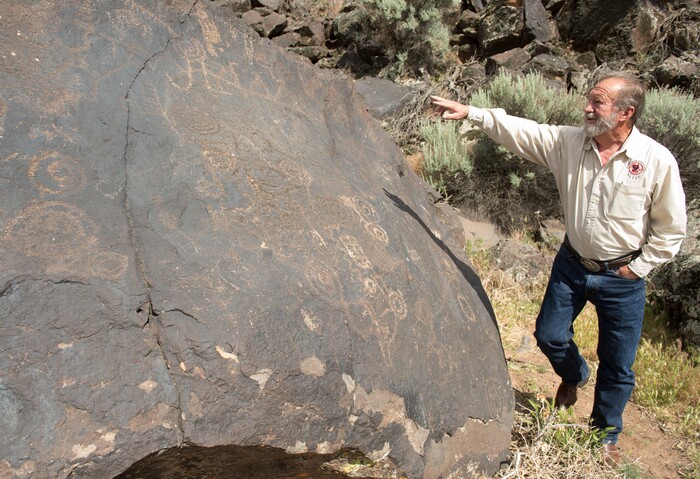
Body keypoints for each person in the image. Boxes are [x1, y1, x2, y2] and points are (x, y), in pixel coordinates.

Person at [431, 72, 687, 461]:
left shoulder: (655, 161)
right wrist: (473, 113)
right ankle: (574, 375)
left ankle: (605, 434)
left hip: (622, 278)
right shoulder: (570, 142)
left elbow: (672, 230)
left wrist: (639, 269)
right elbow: (524, 131)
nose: (586, 107)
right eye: (588, 99)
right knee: (549, 335)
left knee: (618, 364)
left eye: (597, 102)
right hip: (571, 264)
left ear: (625, 113)